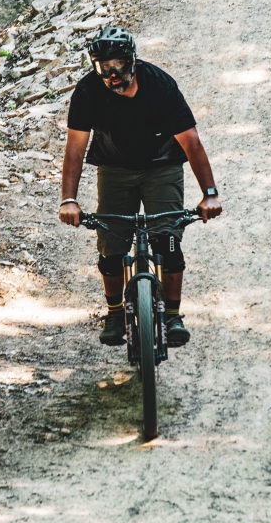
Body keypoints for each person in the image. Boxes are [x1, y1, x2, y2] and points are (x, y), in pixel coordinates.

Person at [59, 26, 222, 348]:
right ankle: (115, 314)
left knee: (167, 241)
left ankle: (172, 315)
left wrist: (210, 194)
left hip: (162, 166)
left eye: (119, 64)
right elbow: (75, 148)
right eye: (104, 67)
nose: (112, 74)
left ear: (132, 60)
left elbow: (191, 141)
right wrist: (69, 199)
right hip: (114, 170)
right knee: (112, 245)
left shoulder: (159, 84)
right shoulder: (88, 91)